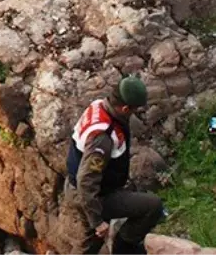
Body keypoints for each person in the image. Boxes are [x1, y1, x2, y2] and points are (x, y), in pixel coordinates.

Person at [66, 76, 164, 255]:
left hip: (84, 188)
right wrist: (97, 221)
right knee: (153, 206)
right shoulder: (103, 137)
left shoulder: (99, 105)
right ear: (125, 108)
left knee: (91, 243)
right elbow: (86, 181)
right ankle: (124, 247)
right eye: (134, 111)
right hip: (89, 195)